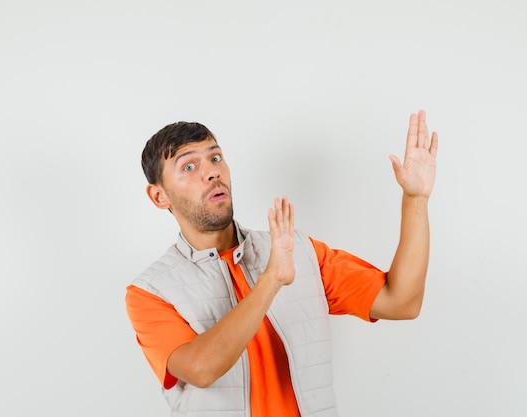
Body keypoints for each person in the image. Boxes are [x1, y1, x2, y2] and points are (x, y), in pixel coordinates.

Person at [125, 110, 438, 417]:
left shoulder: (296, 249)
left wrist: (416, 200)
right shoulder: (151, 291)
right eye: (189, 166)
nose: (211, 172)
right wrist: (271, 280)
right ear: (159, 196)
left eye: (215, 158)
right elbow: (200, 369)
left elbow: (401, 302)